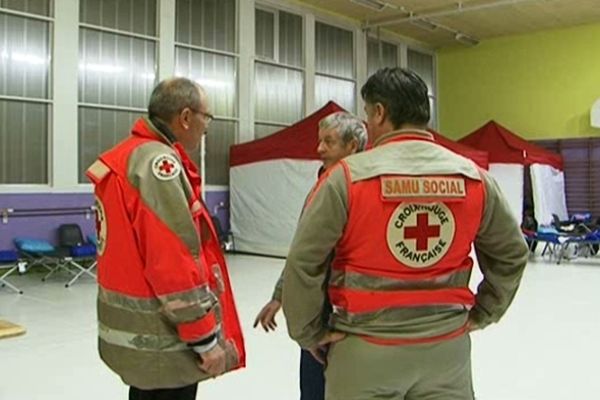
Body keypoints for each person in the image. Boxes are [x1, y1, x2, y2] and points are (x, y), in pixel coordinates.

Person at [282, 68, 529, 400]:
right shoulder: (474, 178)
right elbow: (512, 252)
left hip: (364, 352)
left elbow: (304, 262)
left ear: (380, 112)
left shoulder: (345, 179)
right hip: (447, 353)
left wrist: (308, 332)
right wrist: (485, 311)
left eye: (368, 115)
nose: (367, 124)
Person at [86, 77, 245, 400]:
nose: (206, 128)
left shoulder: (123, 157)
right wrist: (204, 339)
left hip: (137, 338)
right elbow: (173, 263)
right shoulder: (158, 166)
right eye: (206, 117)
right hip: (165, 340)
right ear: (185, 117)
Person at [254, 111, 367, 400]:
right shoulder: (323, 184)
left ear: (352, 146)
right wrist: (281, 294)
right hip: (321, 313)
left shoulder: (363, 190)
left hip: (347, 315)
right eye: (320, 141)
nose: (319, 149)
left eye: (328, 142)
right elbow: (305, 250)